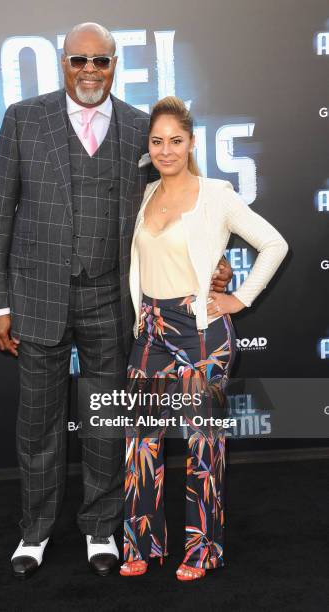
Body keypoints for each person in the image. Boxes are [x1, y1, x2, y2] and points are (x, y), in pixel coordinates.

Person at [0, 23, 232, 580]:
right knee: (39, 423)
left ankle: (100, 529)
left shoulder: (141, 129)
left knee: (106, 419)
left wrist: (214, 257)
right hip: (38, 298)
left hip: (113, 302)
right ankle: (35, 532)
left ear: (115, 64)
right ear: (62, 64)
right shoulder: (24, 119)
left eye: (101, 61)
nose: (89, 70)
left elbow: (177, 203)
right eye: (78, 61)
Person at [119, 96, 288, 580]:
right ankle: (142, 545)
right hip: (149, 330)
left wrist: (240, 298)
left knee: (203, 443)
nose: (166, 150)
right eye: (157, 141)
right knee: (139, 443)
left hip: (200, 333)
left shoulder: (217, 194)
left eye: (175, 140)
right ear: (148, 147)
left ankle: (201, 550)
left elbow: (274, 244)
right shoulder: (144, 195)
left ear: (192, 143)